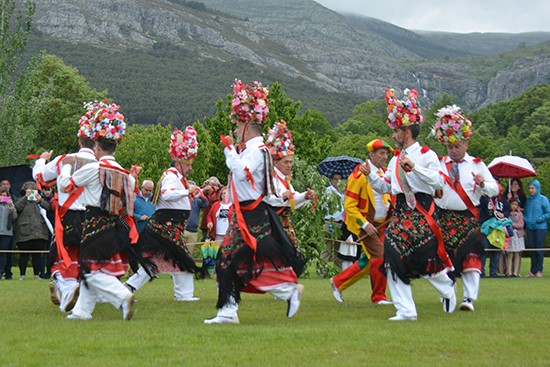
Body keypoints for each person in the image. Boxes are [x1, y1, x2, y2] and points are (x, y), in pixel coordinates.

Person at [204, 79, 305, 324]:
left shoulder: (255, 151)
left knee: (228, 259)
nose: (236, 130)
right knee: (234, 260)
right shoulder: (257, 150)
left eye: (238, 126)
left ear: (247, 125)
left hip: (250, 216)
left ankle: (235, 309)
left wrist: (229, 150)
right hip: (248, 214)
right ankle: (231, 310)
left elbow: (242, 173)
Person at [361, 88, 455, 321]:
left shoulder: (426, 154)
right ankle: (406, 310)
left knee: (423, 259)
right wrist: (370, 176)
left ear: (406, 132)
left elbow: (439, 181)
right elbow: (386, 187)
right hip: (400, 212)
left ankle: (446, 287)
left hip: (422, 212)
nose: (393, 136)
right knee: (391, 259)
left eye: (396, 131)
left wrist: (415, 168)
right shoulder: (394, 159)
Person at [58, 100, 139, 321]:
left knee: (89, 269)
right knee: (94, 268)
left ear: (97, 146)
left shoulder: (94, 167)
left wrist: (66, 164)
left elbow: (66, 185)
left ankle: (122, 295)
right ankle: (81, 311)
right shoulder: (125, 174)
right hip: (116, 226)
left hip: (93, 222)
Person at [432, 105, 499, 311]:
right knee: (445, 260)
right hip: (443, 219)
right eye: (450, 147)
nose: (453, 150)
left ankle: (469, 298)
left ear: (466, 143)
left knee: (471, 257)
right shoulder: (439, 164)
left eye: (457, 146)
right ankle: (448, 297)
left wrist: (482, 185)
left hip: (468, 219)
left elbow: (495, 189)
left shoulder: (477, 165)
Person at [126, 127, 202, 301]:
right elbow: (167, 194)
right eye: (188, 165)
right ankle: (183, 295)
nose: (190, 168)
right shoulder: (170, 176)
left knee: (159, 261)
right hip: (167, 225)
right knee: (180, 258)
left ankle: (129, 287)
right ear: (179, 163)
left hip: (169, 225)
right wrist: (186, 192)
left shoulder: (176, 177)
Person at [32, 131, 97, 312]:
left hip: (67, 216)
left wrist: (41, 160)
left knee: (60, 256)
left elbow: (39, 177)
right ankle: (76, 291)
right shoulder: (102, 164)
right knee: (83, 257)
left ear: (79, 140)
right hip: (92, 217)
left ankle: (68, 290)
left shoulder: (64, 159)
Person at [330, 139, 393, 305]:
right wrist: (365, 224)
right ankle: (379, 297)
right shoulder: (358, 175)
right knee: (380, 256)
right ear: (371, 154)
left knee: (367, 261)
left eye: (386, 154)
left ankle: (337, 282)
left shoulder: (384, 173)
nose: (384, 157)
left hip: (382, 224)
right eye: (381, 153)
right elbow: (349, 206)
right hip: (365, 225)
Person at [263, 120, 316, 247]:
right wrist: (282, 197)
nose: (290, 165)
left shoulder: (285, 179)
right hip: (271, 223)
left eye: (291, 162)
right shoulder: (270, 177)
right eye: (286, 162)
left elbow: (291, 199)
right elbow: (268, 199)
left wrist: (305, 196)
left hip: (283, 223)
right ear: (275, 162)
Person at [14, 182, 52, 280]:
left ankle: (37, 275)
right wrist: (25, 197)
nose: (31, 191)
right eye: (29, 189)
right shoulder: (19, 199)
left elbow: (49, 207)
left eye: (33, 189)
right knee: (24, 255)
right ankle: (22, 275)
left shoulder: (40, 200)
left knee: (37, 255)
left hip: (40, 231)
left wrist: (40, 201)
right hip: (24, 231)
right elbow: (16, 208)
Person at [479, 188, 510, 277]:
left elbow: (507, 210)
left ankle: (493, 272)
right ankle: (481, 271)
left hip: (498, 227)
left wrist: (503, 214)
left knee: (496, 250)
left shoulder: (502, 199)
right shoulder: (484, 197)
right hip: (485, 226)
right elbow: (478, 206)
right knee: (484, 249)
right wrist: (482, 196)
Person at [524, 179, 550, 278]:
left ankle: (539, 270)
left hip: (540, 228)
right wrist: (526, 220)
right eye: (529, 188)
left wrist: (540, 219)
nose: (530, 190)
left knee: (539, 249)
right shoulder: (528, 200)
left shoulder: (543, 199)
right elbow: (526, 213)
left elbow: (548, 212)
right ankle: (532, 270)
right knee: (532, 249)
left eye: (532, 188)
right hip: (530, 228)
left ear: (537, 188)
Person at [321, 172, 345, 266]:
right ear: (331, 180)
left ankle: (337, 269)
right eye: (335, 179)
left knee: (338, 248)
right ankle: (323, 269)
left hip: (341, 223)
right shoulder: (327, 191)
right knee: (328, 247)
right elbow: (323, 207)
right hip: (330, 222)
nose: (337, 181)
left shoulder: (343, 193)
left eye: (339, 179)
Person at [184, 181, 209, 257]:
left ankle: (187, 268)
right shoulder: (182, 199)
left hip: (193, 230)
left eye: (193, 188)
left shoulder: (197, 201)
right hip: (182, 229)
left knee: (189, 253)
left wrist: (200, 193)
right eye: (189, 188)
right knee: (179, 251)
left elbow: (206, 203)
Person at [0, 189, 17, 279]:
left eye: (5, 196)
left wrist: (11, 206)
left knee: (4, 253)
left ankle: (2, 271)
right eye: (2, 196)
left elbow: (15, 217)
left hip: (7, 233)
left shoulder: (10, 206)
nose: (3, 198)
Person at [506, 199, 525, 277]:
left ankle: (515, 272)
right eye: (512, 204)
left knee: (517, 254)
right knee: (510, 254)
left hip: (518, 235)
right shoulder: (508, 214)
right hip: (510, 235)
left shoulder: (520, 214)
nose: (514, 206)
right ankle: (509, 272)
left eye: (515, 204)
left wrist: (513, 224)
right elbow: (506, 224)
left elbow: (521, 224)